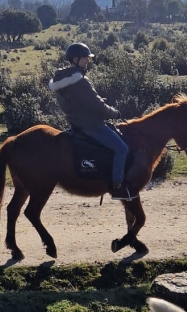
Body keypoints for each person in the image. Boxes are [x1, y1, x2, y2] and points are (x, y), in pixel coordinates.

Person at [48, 42, 131, 199]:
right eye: (85, 58)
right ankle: (117, 186)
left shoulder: (62, 81)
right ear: (75, 60)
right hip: (91, 125)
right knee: (122, 149)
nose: (87, 61)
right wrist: (115, 113)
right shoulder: (81, 81)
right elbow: (98, 105)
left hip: (76, 124)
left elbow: (80, 103)